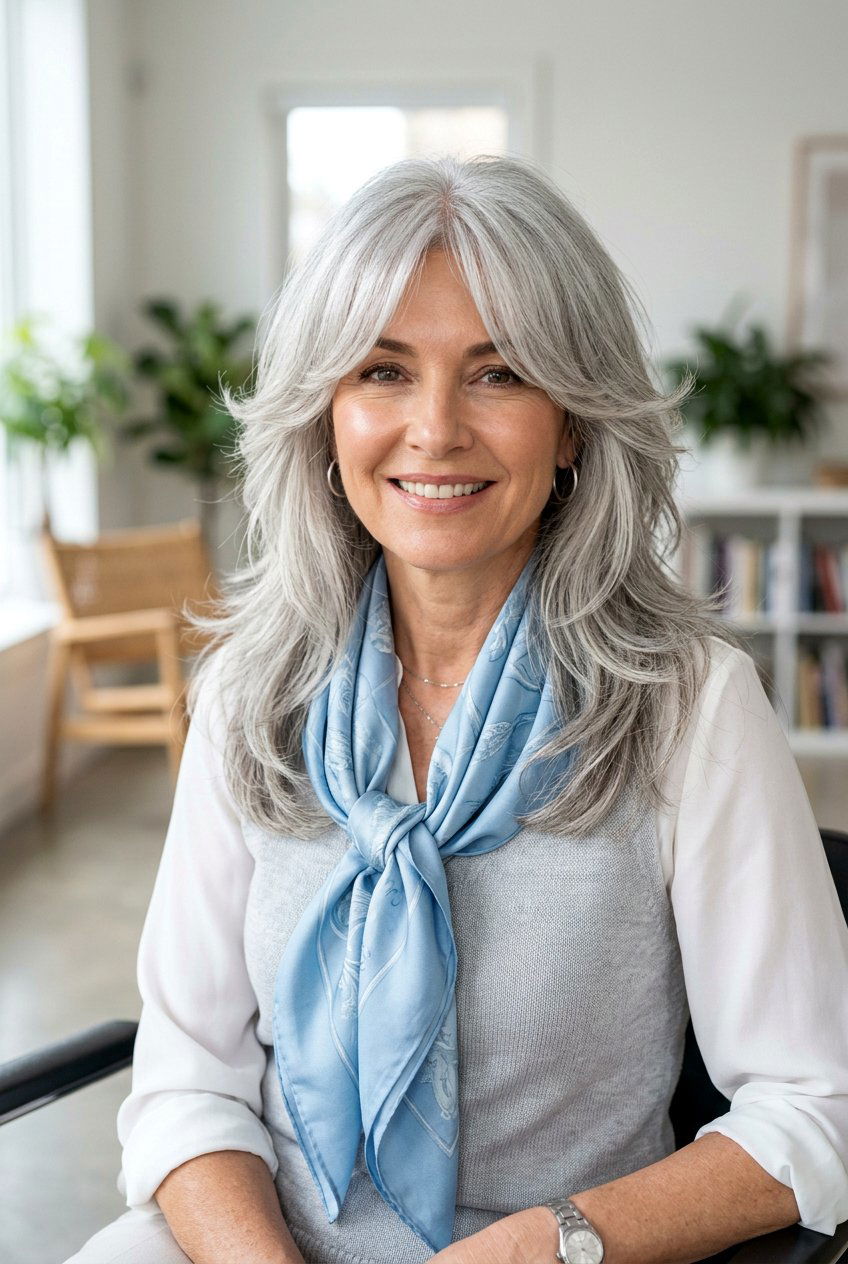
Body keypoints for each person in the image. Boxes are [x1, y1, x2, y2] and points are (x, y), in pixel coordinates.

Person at [65, 153, 848, 1264]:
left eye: (497, 374)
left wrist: (553, 1242)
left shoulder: (689, 704)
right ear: (326, 419)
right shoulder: (250, 688)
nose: (434, 430)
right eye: (382, 372)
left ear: (573, 421)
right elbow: (189, 1079)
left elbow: (814, 1102)